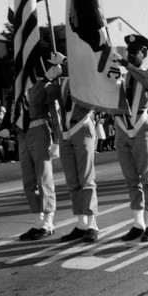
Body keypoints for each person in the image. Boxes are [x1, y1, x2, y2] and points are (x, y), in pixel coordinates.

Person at [48, 52, 100, 243]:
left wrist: (66, 61)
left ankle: (92, 223)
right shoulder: (61, 82)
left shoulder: (84, 79)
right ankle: (81, 223)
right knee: (72, 180)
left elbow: (88, 86)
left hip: (82, 127)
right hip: (65, 131)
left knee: (86, 179)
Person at [114, 34, 148, 243]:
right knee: (131, 179)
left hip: (141, 124)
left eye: (136, 53)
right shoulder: (123, 77)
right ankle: (138, 223)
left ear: (145, 53)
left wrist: (127, 65)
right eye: (129, 53)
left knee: (147, 177)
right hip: (123, 127)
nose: (131, 56)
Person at [17, 63, 62, 241]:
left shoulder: (44, 86)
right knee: (29, 181)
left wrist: (57, 141)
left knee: (43, 178)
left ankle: (48, 222)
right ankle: (38, 220)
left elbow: (54, 113)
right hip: (23, 134)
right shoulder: (19, 87)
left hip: (39, 130)